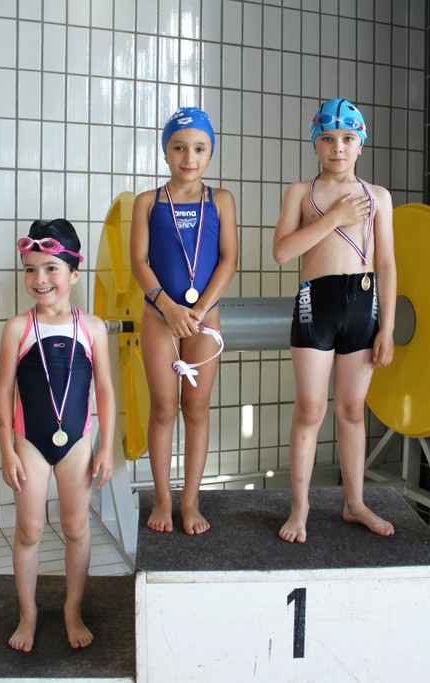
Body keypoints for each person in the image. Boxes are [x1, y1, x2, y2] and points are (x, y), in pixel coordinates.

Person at [272, 98, 396, 544]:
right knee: (310, 408)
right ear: (315, 145)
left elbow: (387, 264)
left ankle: (354, 503)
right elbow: (282, 252)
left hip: (363, 306)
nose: (337, 147)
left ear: (361, 144)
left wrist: (387, 328)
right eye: (327, 138)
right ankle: (300, 506)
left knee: (351, 409)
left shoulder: (378, 197)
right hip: (316, 304)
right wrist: (336, 218)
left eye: (347, 138)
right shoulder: (300, 192)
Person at [0, 218, 116, 651]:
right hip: (28, 441)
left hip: (78, 442)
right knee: (29, 530)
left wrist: (105, 448)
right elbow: (4, 393)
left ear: (74, 274)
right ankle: (27, 614)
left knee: (75, 527)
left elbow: (105, 389)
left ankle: (72, 610)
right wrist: (7, 450)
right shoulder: (17, 327)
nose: (39, 278)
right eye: (30, 269)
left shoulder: (92, 327)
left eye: (50, 268)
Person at [130, 107, 238, 535]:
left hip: (204, 318)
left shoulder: (221, 200)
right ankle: (162, 497)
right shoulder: (148, 202)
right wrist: (169, 307)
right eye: (178, 147)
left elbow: (229, 259)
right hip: (160, 316)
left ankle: (190, 500)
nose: (188, 157)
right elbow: (138, 262)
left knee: (196, 408)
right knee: (163, 408)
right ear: (165, 152)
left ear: (210, 154)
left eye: (199, 148)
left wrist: (200, 309)